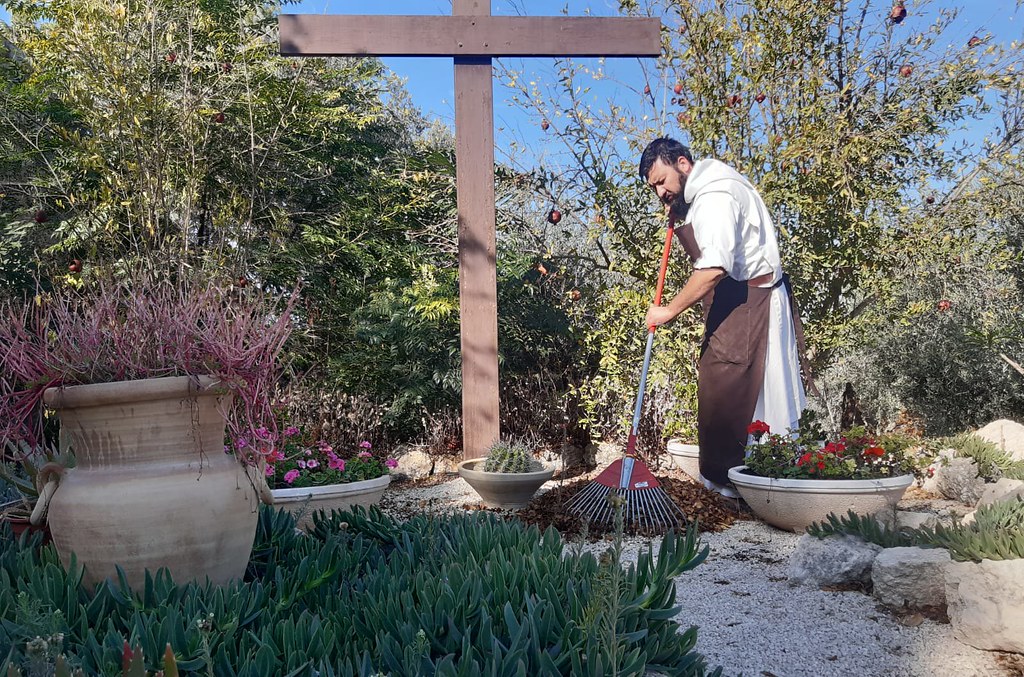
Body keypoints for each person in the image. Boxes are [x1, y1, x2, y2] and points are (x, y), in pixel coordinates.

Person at [639, 137, 808, 497]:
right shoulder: (711, 189)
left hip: (750, 300)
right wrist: (681, 209)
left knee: (726, 385)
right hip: (744, 295)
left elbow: (713, 267)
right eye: (653, 187)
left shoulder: (715, 198)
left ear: (683, 164)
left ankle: (732, 487)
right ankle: (751, 481)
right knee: (732, 384)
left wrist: (668, 310)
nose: (659, 193)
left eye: (661, 181)